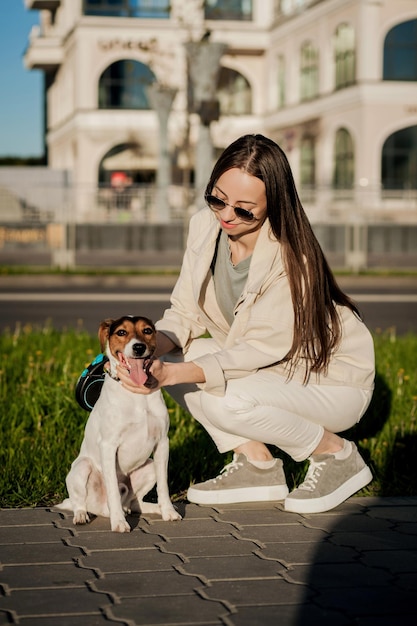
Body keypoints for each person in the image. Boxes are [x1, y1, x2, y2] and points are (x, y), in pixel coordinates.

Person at [117, 134, 375, 514]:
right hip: (269, 370)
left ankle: (336, 455)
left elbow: (258, 349)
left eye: (244, 210)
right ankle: (257, 465)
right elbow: (184, 312)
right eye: (217, 197)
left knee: (225, 399)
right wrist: (141, 351)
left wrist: (174, 375)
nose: (226, 215)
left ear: (273, 206)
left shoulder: (292, 260)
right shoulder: (205, 227)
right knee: (173, 364)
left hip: (331, 382)